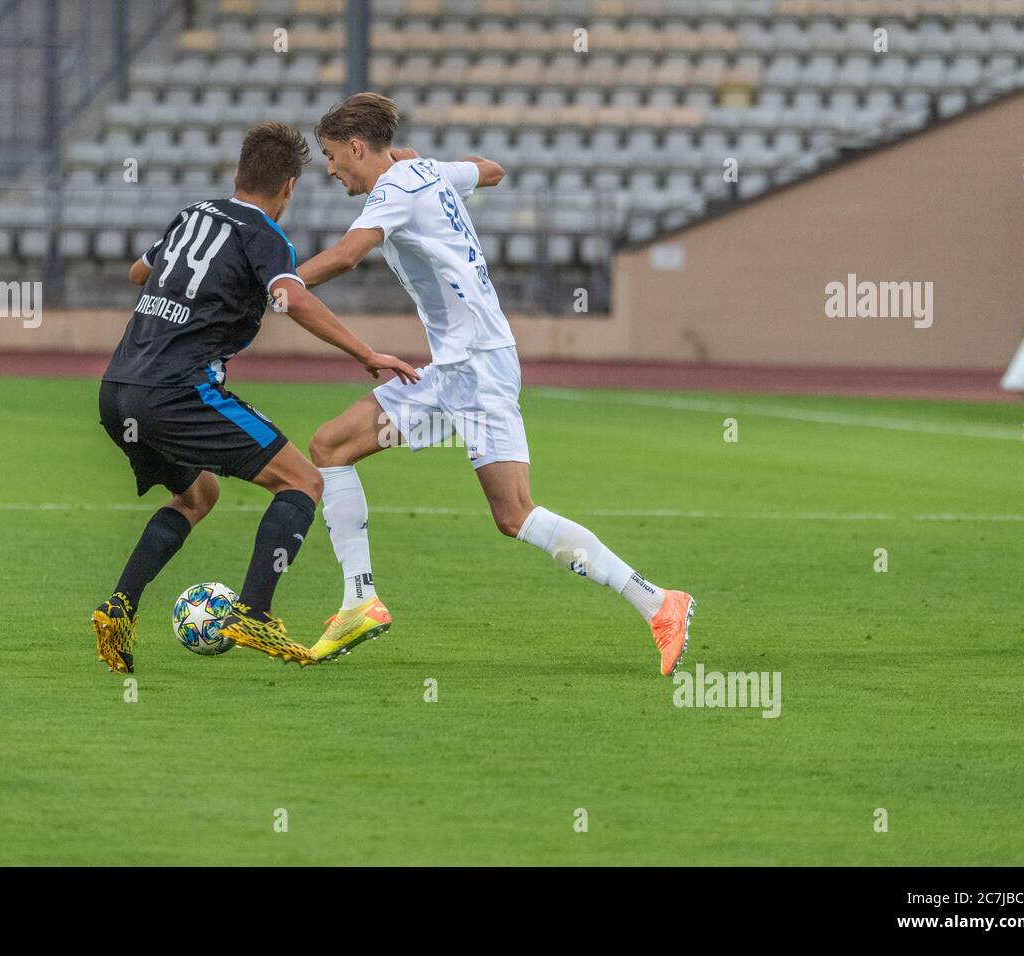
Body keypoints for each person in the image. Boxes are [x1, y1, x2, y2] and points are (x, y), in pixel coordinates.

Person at [296, 93, 695, 677]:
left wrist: (280, 283)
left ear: (357, 147)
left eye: (332, 156)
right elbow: (492, 170)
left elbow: (350, 255)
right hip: (453, 368)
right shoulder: (422, 172)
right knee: (330, 446)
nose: (330, 169)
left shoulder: (394, 189)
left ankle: (658, 601)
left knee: (514, 514)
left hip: (476, 369)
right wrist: (418, 160)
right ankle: (359, 601)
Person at [92, 121, 419, 673]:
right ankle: (255, 612)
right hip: (177, 391)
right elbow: (291, 297)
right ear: (289, 186)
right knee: (304, 480)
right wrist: (366, 354)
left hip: (117, 388)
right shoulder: (266, 235)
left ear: (238, 173)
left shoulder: (191, 215)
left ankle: (118, 607)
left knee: (198, 497)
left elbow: (136, 272)